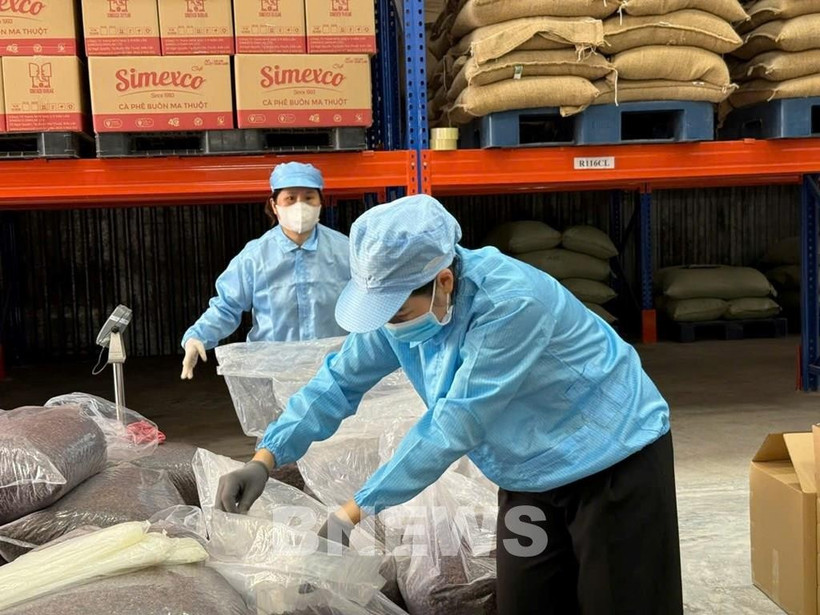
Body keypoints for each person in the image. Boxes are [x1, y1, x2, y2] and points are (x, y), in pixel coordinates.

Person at [214, 194, 683, 614]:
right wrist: (267, 456)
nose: (389, 326)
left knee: (619, 600)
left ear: (443, 281)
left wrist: (352, 511)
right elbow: (338, 381)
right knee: (527, 601)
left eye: (396, 313)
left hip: (610, 461)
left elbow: (455, 423)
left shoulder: (511, 303)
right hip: (526, 475)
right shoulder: (402, 307)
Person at [180, 162, 350, 379]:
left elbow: (368, 302)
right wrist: (197, 337)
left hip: (334, 371)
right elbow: (227, 307)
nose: (300, 206)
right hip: (273, 372)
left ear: (320, 202)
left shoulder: (345, 251)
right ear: (274, 204)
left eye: (309, 198)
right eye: (290, 198)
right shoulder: (255, 257)